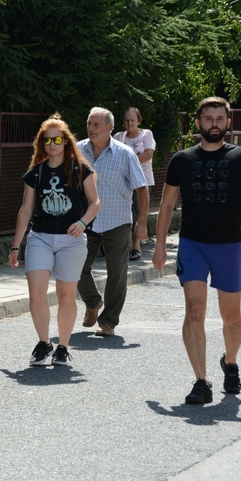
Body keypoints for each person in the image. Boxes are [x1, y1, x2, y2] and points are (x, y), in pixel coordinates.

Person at [153, 96, 241, 404]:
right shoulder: (182, 160)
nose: (213, 124)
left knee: (232, 318)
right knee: (195, 310)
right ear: (198, 124)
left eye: (219, 119)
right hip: (192, 245)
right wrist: (160, 246)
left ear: (228, 123)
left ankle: (230, 361)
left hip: (228, 246)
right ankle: (201, 381)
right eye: (208, 119)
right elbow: (167, 204)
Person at [8, 114, 100, 366]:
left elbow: (94, 202)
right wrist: (16, 245)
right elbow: (26, 210)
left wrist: (82, 223)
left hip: (72, 240)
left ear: (66, 141)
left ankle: (62, 346)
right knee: (36, 292)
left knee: (65, 294)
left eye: (58, 139)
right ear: (41, 144)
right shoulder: (35, 172)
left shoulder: (80, 168)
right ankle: (43, 342)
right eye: (47, 140)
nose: (53, 144)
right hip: (40, 237)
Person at [77, 107, 148, 337]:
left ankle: (108, 322)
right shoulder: (77, 150)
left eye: (97, 124)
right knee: (75, 267)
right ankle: (93, 301)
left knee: (116, 273)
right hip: (86, 221)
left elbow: (141, 188)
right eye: (89, 123)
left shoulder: (125, 154)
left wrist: (142, 222)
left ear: (110, 128)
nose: (91, 128)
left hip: (117, 221)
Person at [114, 107, 156, 261]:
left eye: (132, 120)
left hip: (142, 181)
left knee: (139, 213)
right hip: (123, 182)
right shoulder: (118, 137)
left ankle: (136, 246)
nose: (130, 123)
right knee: (125, 213)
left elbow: (148, 154)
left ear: (139, 121)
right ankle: (127, 245)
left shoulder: (146, 134)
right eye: (126, 120)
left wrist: (128, 161)